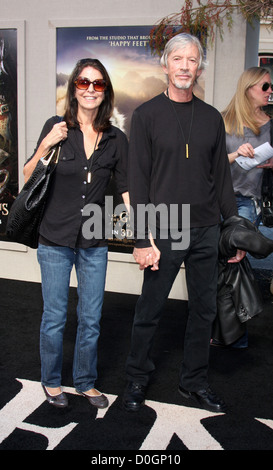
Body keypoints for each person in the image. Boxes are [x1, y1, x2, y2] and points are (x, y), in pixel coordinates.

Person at [122, 33, 245, 414]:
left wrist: (235, 229)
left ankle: (193, 382)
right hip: (164, 229)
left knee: (204, 310)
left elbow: (221, 180)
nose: (185, 67)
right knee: (150, 309)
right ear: (166, 66)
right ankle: (137, 378)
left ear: (199, 68)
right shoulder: (145, 116)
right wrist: (142, 237)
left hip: (208, 228)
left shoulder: (211, 118)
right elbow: (137, 180)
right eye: (178, 59)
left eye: (192, 60)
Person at [24, 58, 128, 409]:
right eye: (83, 82)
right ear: (74, 88)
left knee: (91, 317)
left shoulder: (116, 139)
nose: (90, 90)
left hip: (94, 242)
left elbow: (127, 190)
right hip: (54, 238)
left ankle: (85, 381)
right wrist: (45, 145)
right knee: (54, 316)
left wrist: (146, 237)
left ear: (105, 92)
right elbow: (26, 177)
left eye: (98, 84)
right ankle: (52, 382)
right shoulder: (56, 127)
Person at [220, 67, 273, 347]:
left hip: (246, 202)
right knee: (216, 265)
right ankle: (222, 331)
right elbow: (209, 163)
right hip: (217, 200)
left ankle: (236, 335)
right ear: (248, 88)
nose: (270, 91)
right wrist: (235, 154)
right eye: (265, 86)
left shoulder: (270, 125)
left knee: (235, 260)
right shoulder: (224, 121)